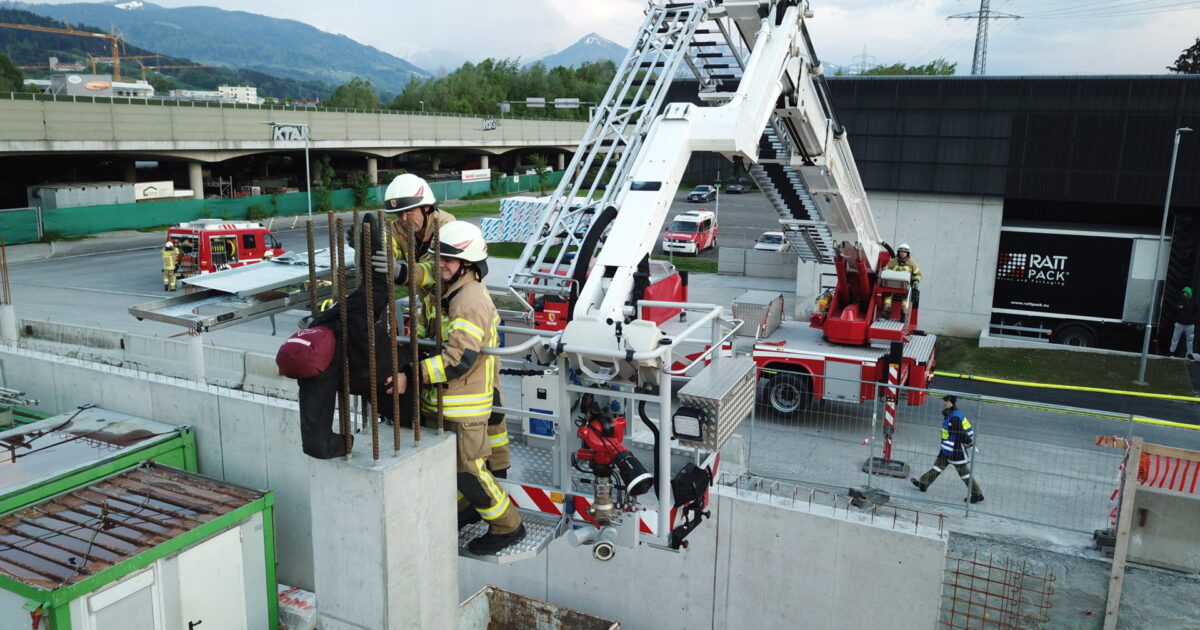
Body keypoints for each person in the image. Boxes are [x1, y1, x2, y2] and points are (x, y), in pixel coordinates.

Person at [384, 221, 526, 555]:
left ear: (469, 263)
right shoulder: (451, 290)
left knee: (469, 471)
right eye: (438, 257)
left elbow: (459, 359)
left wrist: (411, 375)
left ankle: (508, 526)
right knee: (454, 469)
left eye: (448, 259)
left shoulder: (469, 300)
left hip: (465, 404)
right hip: (449, 400)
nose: (440, 264)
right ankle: (467, 511)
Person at [374, 174, 512, 480]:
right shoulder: (399, 226)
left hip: (457, 302)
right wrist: (372, 249)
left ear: (426, 208)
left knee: (490, 398)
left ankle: (499, 467)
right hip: (433, 308)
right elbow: (387, 252)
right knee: (438, 370)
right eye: (398, 214)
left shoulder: (448, 227)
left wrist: (401, 272)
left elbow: (436, 270)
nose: (403, 219)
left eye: (408, 212)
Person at [911, 395, 983, 504]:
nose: (943, 403)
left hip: (955, 450)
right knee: (938, 466)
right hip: (948, 448)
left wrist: (969, 443)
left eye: (944, 401)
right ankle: (924, 483)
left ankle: (976, 494)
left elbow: (960, 433)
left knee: (964, 473)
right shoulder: (952, 413)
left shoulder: (954, 417)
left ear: (949, 402)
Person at [880, 243, 921, 319]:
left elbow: (918, 274)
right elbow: (885, 270)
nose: (902, 253)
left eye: (904, 252)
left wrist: (916, 281)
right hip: (892, 285)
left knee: (906, 298)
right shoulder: (893, 261)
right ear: (898, 252)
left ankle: (904, 314)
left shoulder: (912, 263)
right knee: (887, 295)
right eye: (901, 252)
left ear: (907, 253)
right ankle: (886, 311)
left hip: (905, 286)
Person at [1170, 286, 1197, 359]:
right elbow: (1173, 307)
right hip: (1179, 323)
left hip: (1190, 325)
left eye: (1186, 293)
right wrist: (1178, 307)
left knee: (1190, 340)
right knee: (1175, 338)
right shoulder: (1179, 299)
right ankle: (1171, 352)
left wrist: (1192, 319)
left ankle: (1189, 354)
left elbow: (1197, 312)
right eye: (1184, 292)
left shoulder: (1193, 301)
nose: (1185, 294)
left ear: (1189, 293)